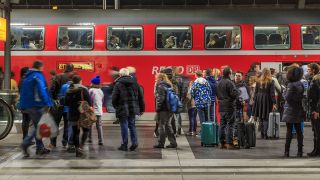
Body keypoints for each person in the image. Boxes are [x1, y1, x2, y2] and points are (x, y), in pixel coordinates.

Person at [19, 60, 53, 157]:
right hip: (37, 105)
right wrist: (47, 103)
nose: (43, 69)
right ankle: (25, 143)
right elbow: (42, 90)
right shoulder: (38, 76)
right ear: (39, 67)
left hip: (28, 105)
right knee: (38, 127)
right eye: (42, 67)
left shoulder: (27, 76)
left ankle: (39, 148)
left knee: (37, 126)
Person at [112, 68, 145, 151]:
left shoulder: (118, 84)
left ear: (120, 75)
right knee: (132, 125)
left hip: (122, 107)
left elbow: (114, 97)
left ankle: (124, 144)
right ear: (128, 74)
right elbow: (141, 97)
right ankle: (134, 142)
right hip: (133, 107)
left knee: (124, 126)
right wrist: (142, 108)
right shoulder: (135, 83)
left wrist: (116, 106)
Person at [65, 75, 91, 157]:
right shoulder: (83, 89)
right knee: (86, 130)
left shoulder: (69, 90)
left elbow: (66, 103)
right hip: (83, 114)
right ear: (80, 81)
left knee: (76, 132)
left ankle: (77, 150)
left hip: (72, 114)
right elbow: (89, 102)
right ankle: (81, 147)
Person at [282, 66, 305, 157]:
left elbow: (287, 98)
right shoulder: (300, 83)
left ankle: (286, 151)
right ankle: (300, 151)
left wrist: (284, 92)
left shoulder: (291, 84)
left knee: (289, 131)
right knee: (299, 132)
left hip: (290, 110)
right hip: (298, 109)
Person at [216, 66, 239, 150]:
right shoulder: (230, 83)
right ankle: (229, 143)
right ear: (229, 73)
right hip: (229, 106)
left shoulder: (219, 82)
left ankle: (222, 143)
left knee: (222, 125)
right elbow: (234, 94)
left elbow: (217, 94)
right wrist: (238, 92)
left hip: (221, 106)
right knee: (230, 125)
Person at [154, 73, 177, 149]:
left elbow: (160, 99)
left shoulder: (160, 86)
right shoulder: (169, 85)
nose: (155, 79)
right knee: (168, 125)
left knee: (162, 126)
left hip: (163, 109)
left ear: (160, 78)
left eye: (156, 78)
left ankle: (161, 143)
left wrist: (158, 109)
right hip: (170, 109)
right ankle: (173, 143)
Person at [253, 68, 276, 139]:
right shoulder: (271, 81)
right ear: (269, 73)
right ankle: (265, 134)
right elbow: (272, 94)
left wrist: (255, 100)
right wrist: (274, 103)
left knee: (260, 116)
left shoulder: (258, 81)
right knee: (266, 117)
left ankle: (262, 134)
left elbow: (255, 92)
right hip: (267, 99)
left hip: (258, 99)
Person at [233, 71, 250, 147]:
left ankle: (238, 140)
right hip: (231, 107)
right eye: (236, 75)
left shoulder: (244, 86)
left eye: (239, 76)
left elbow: (247, 96)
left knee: (238, 124)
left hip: (239, 107)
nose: (237, 77)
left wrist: (245, 101)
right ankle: (234, 140)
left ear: (242, 77)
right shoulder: (231, 84)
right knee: (233, 124)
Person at [307, 63, 320, 157]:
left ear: (314, 70)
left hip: (316, 110)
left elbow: (317, 97)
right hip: (314, 109)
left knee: (317, 131)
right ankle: (316, 149)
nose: (307, 71)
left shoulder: (316, 81)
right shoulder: (314, 80)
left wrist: (317, 111)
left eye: (309, 69)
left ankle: (317, 150)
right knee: (316, 131)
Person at [88, 76, 105, 146]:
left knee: (90, 125)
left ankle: (90, 138)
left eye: (91, 82)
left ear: (94, 83)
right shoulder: (101, 91)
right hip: (99, 111)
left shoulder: (91, 90)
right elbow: (103, 101)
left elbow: (89, 100)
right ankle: (101, 140)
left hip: (92, 110)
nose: (90, 83)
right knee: (99, 126)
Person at [18, 67, 30, 140]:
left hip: (23, 102)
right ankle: (25, 137)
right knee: (26, 121)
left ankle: (25, 137)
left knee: (25, 120)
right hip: (27, 103)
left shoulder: (21, 80)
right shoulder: (25, 80)